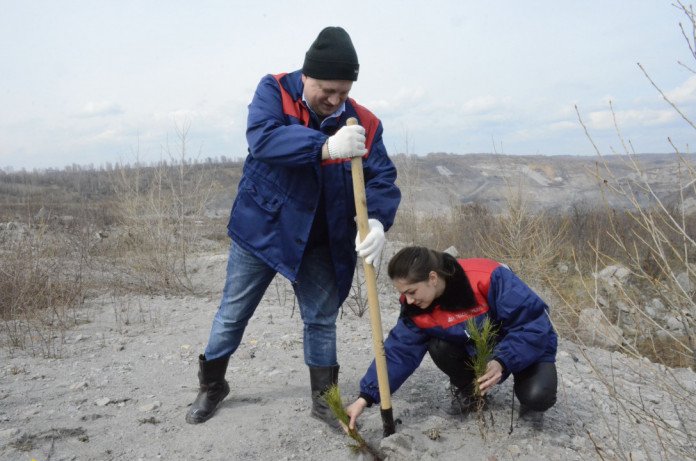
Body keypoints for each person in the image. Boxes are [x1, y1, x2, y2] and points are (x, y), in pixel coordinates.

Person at [184, 26, 401, 429]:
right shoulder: (274, 91)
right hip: (263, 228)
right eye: (326, 90)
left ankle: (324, 400)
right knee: (233, 313)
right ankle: (212, 386)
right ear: (307, 76)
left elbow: (382, 178)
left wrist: (377, 220)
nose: (334, 100)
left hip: (321, 238)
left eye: (343, 90)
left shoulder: (364, 123)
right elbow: (263, 140)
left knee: (320, 318)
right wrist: (323, 147)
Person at [345, 246, 557, 429]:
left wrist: (502, 360)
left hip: (523, 345)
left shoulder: (487, 276)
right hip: (478, 348)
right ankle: (471, 392)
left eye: (412, 291)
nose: (408, 300)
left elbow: (533, 325)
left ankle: (528, 397)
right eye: (403, 294)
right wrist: (365, 397)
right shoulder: (417, 308)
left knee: (538, 395)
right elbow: (398, 351)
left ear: (433, 278)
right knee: (439, 345)